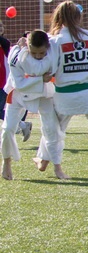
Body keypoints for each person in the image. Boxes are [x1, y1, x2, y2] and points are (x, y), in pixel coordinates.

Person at [45, 0, 88, 179]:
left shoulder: (55, 40)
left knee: (54, 129)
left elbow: (50, 69)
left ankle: (44, 160)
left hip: (65, 94)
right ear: (78, 17)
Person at [2, 32, 63, 180]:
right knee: (8, 128)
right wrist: (41, 78)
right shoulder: (17, 56)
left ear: (47, 48)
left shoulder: (53, 53)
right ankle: (6, 163)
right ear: (27, 47)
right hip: (18, 94)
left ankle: (57, 167)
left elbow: (55, 38)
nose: (37, 56)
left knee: (52, 128)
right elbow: (19, 84)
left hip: (43, 93)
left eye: (41, 52)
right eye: (34, 52)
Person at [0, 22, 32, 142]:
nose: (0, 28)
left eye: (1, 26)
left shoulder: (6, 44)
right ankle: (22, 125)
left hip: (3, 83)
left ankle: (22, 125)